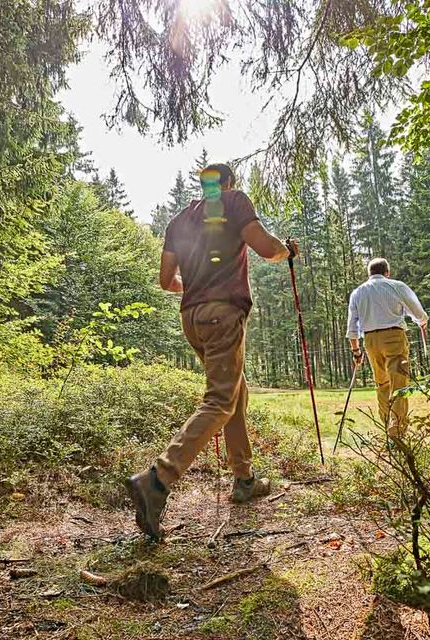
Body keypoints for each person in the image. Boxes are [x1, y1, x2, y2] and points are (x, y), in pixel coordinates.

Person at [126, 162, 298, 539]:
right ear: (229, 184)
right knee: (220, 400)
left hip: (192, 318)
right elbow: (265, 247)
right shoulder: (234, 201)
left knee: (235, 395)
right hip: (223, 313)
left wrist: (197, 287)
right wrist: (286, 251)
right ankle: (157, 479)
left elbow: (165, 280)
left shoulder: (178, 221)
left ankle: (244, 479)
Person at [346, 258, 428, 440]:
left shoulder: (358, 292)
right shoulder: (396, 286)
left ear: (369, 274)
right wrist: (422, 322)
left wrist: (356, 351)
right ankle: (396, 432)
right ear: (387, 272)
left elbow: (352, 328)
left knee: (382, 383)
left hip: (370, 341)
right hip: (393, 337)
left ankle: (386, 425)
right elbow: (418, 313)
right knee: (399, 384)